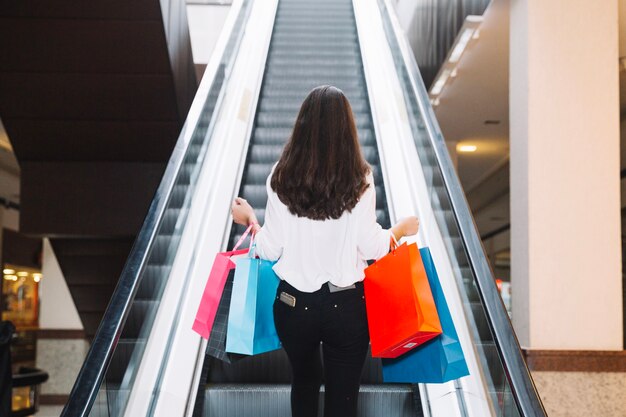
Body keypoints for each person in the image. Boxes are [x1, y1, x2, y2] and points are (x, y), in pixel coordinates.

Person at [231, 85, 419, 417]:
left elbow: (270, 248)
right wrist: (401, 229)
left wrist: (251, 221)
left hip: (293, 306)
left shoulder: (281, 176)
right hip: (347, 307)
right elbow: (372, 246)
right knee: (343, 397)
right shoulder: (361, 178)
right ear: (347, 128)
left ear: (302, 125)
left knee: (303, 382)